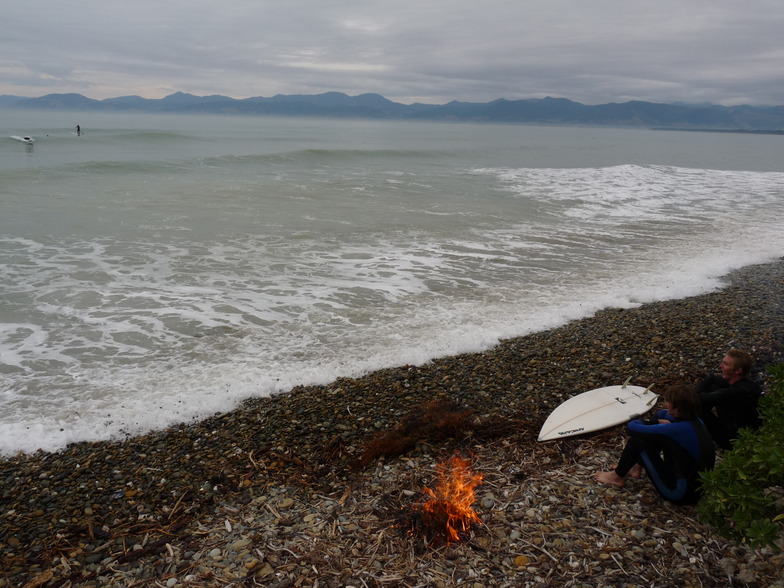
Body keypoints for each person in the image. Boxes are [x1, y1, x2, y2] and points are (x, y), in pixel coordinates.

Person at [594, 384, 715, 505]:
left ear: (677, 410)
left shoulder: (676, 430)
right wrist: (657, 421)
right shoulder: (695, 421)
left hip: (678, 494)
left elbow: (632, 428)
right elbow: (662, 414)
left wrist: (653, 422)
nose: (665, 404)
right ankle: (636, 467)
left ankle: (616, 477)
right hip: (694, 490)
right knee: (658, 435)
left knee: (636, 442)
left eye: (668, 402)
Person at [697, 349, 762, 450]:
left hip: (737, 443)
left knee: (696, 408)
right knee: (714, 385)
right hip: (743, 430)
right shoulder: (747, 384)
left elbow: (695, 399)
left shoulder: (735, 392)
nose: (720, 366)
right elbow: (712, 378)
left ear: (738, 371)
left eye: (725, 364)